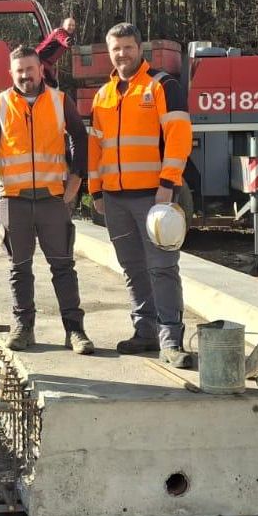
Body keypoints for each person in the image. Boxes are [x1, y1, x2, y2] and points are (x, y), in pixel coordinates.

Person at [0, 45, 94, 355]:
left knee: (63, 267)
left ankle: (75, 331)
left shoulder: (59, 101)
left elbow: (81, 138)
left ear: (41, 70)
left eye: (30, 69)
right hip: (13, 201)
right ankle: (23, 328)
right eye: (19, 71)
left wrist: (77, 181)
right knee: (19, 267)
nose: (25, 75)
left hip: (52, 201)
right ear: (11, 74)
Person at [88, 22, 193, 368]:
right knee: (132, 268)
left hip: (153, 197)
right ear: (110, 52)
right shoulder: (103, 95)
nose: (122, 54)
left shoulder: (162, 85)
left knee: (162, 267)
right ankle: (145, 331)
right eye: (116, 49)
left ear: (140, 49)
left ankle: (171, 340)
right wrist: (95, 191)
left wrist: (168, 183)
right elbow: (95, 148)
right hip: (115, 198)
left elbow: (178, 136)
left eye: (128, 48)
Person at [35, 17, 76, 88]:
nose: (71, 27)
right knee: (52, 85)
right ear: (63, 25)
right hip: (40, 61)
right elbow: (64, 39)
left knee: (51, 85)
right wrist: (67, 41)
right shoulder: (60, 32)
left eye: (73, 25)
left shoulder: (63, 33)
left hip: (43, 62)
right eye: (69, 25)